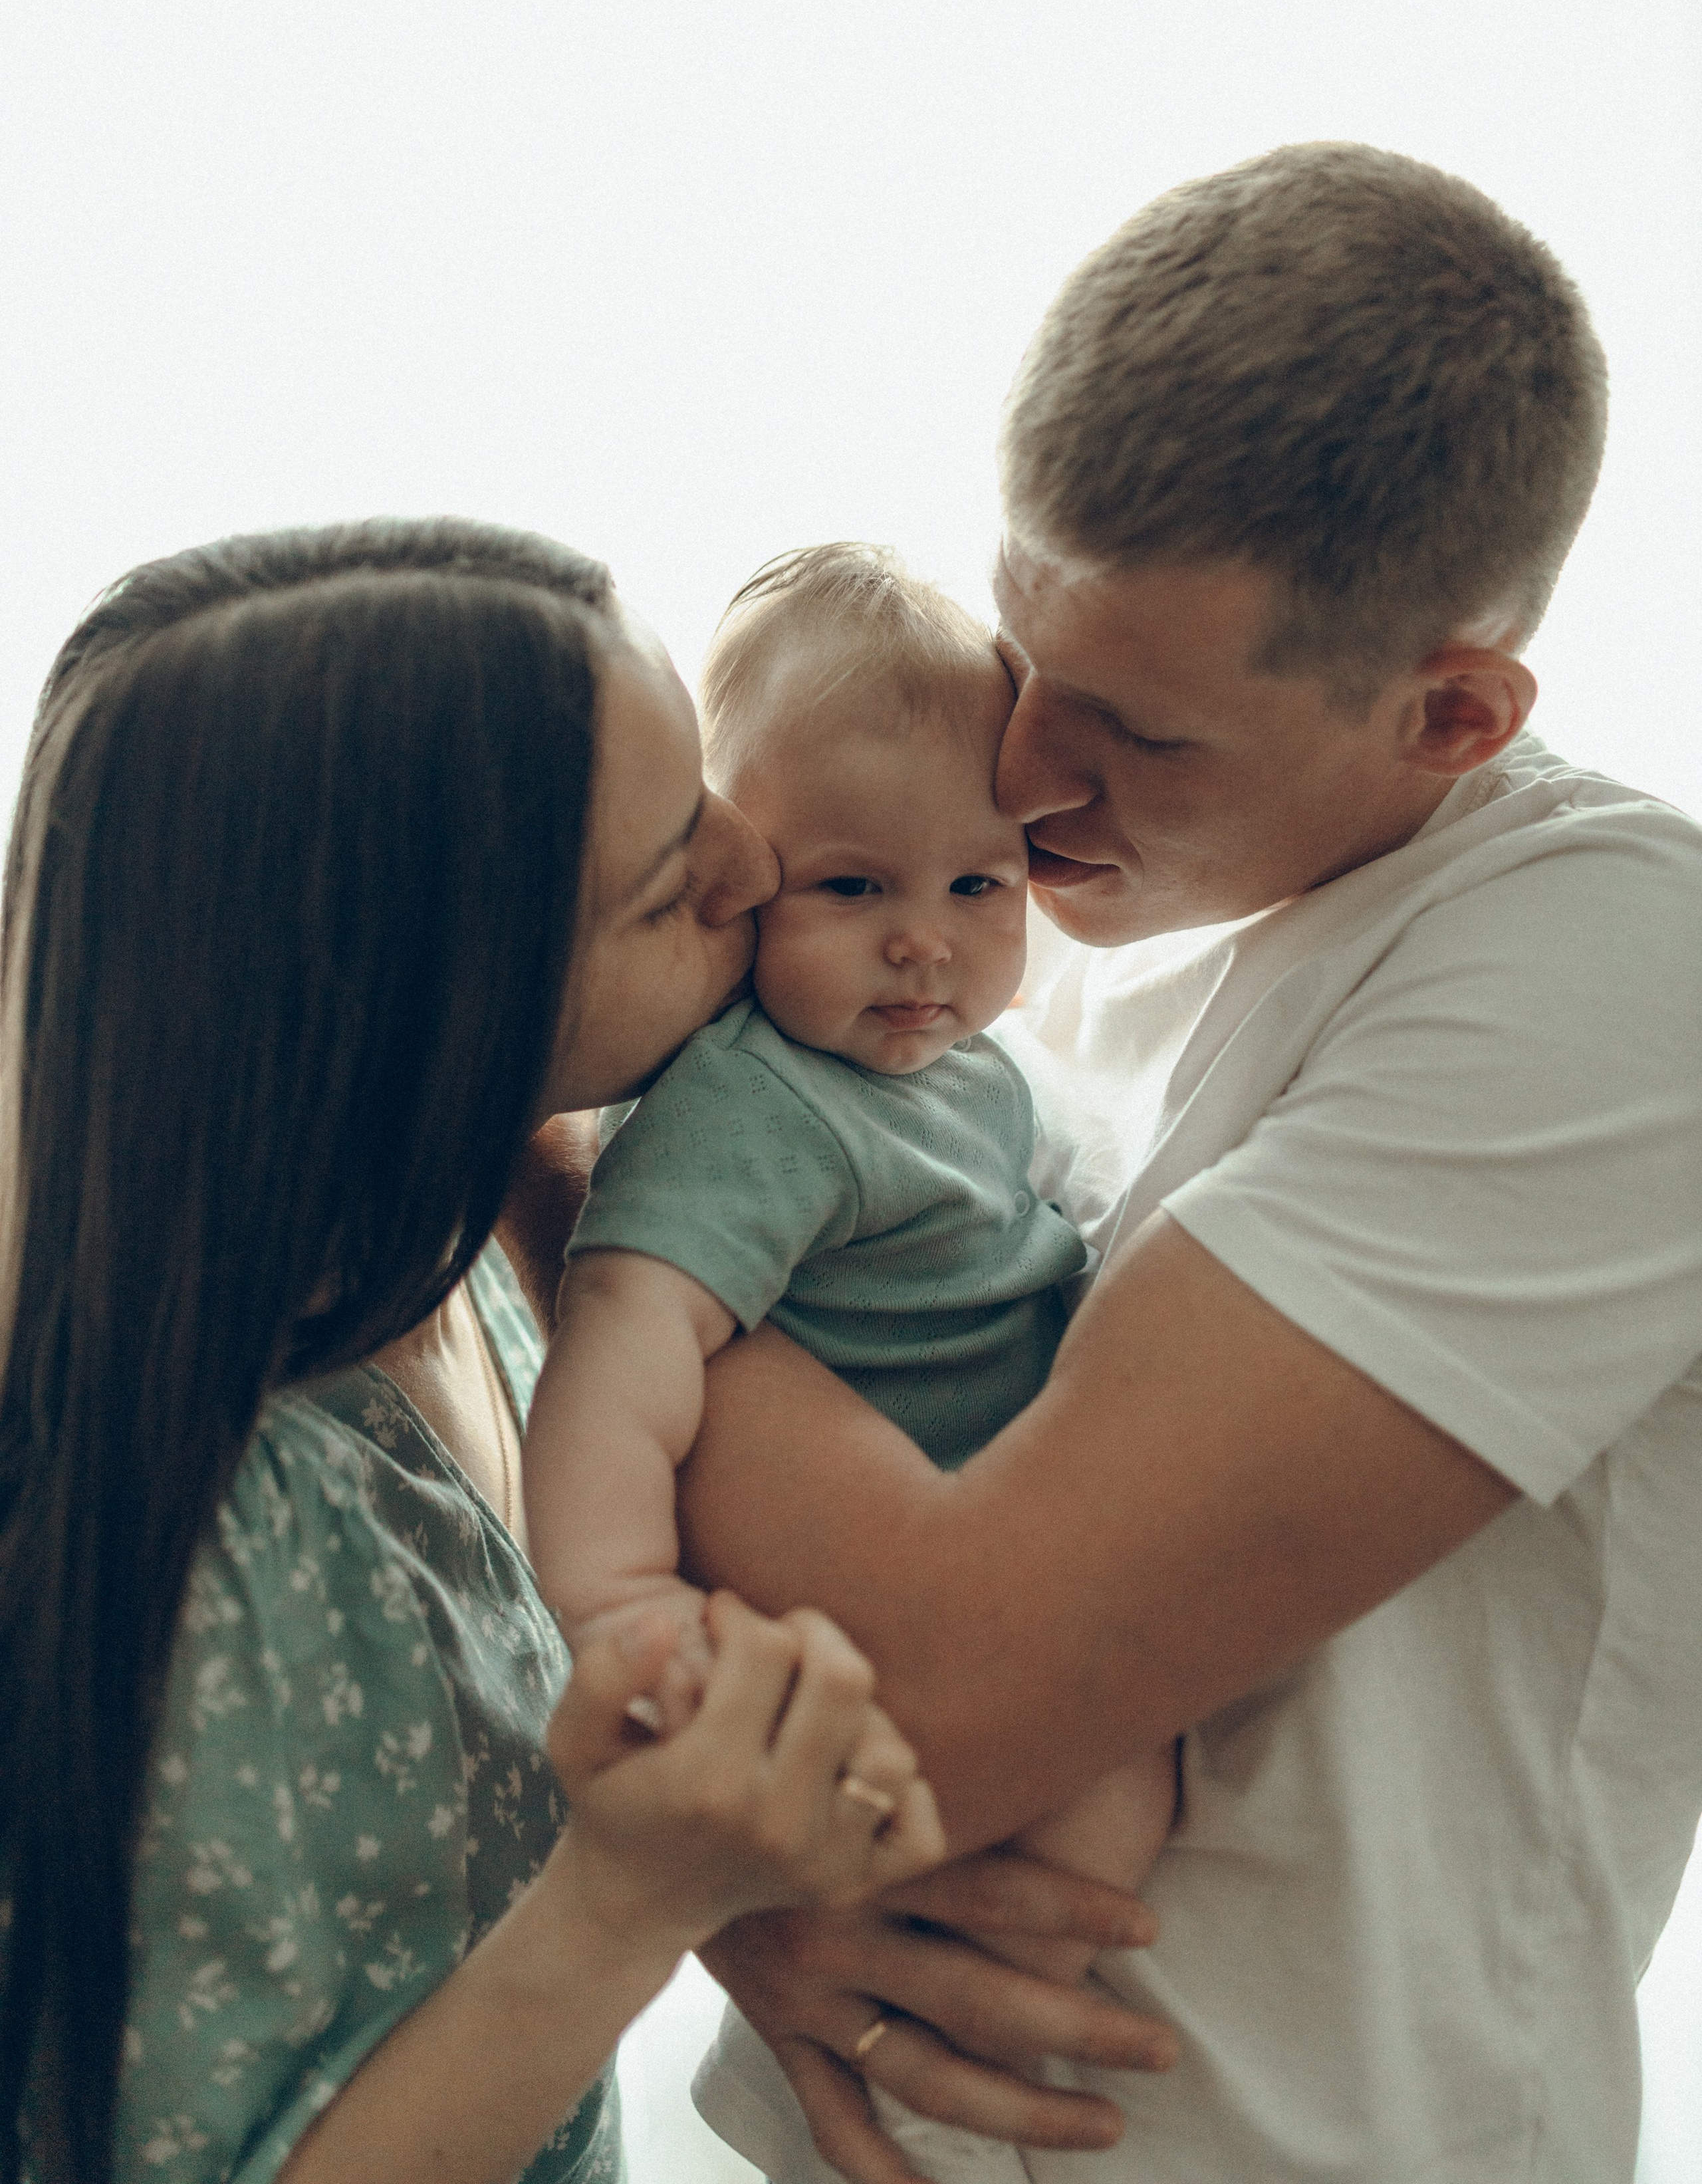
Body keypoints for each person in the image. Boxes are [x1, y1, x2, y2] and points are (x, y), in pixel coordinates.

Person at [600, 144, 1701, 2184]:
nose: (1018, 777)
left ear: (1454, 712)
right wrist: (729, 1886)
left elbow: (939, 1691)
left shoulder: (1626, 962)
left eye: (1138, 730)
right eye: (1026, 661)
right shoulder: (1044, 970)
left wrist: (598, 1219)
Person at [0, 517, 952, 2184]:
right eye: (670, 884)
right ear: (440, 1015)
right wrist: (633, 1905)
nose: (756, 862)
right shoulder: (224, 1541)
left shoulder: (487, 1240)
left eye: (702, 789)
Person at [523, 544, 1177, 2184]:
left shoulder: (972, 1068)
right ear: (738, 869)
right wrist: (618, 1598)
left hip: (1008, 1519)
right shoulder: (754, 1107)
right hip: (860, 1607)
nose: (921, 948)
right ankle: (925, 2122)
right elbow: (619, 1344)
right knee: (1082, 1845)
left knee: (1118, 1828)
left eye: (976, 888)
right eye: (849, 889)